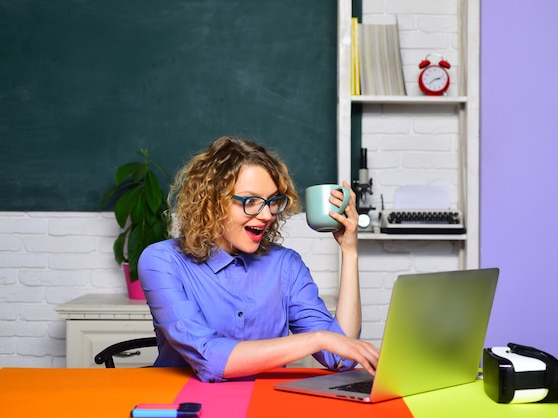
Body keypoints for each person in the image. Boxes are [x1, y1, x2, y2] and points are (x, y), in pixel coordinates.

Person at [138, 136, 380, 383]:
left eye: (272, 201)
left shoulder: (286, 266)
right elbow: (210, 359)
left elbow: (341, 359)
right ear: (212, 203)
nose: (266, 215)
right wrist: (318, 338)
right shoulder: (162, 261)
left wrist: (350, 252)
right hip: (186, 403)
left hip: (266, 403)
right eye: (251, 201)